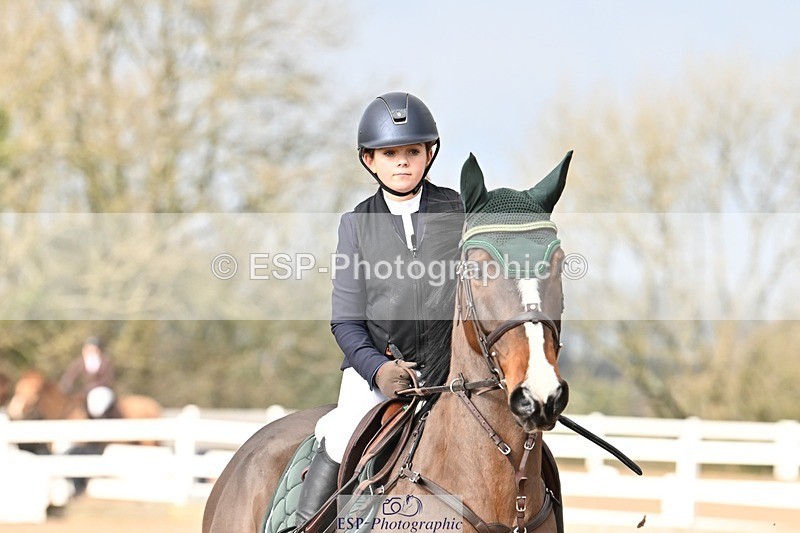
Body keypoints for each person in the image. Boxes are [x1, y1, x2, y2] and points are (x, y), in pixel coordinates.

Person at [296, 92, 464, 521]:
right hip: (379, 374)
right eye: (391, 153)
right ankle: (305, 526)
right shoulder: (355, 224)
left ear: (429, 154)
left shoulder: (460, 212)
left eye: (412, 151)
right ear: (370, 160)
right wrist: (377, 369)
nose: (403, 161)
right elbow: (346, 321)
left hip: (453, 374)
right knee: (339, 433)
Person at [59, 336, 120, 419]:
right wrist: (65, 385)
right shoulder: (80, 363)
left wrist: (90, 388)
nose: (89, 352)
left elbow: (108, 380)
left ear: (98, 350)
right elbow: (70, 375)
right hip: (86, 392)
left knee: (97, 408)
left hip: (102, 391)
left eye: (92, 349)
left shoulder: (106, 363)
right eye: (87, 349)